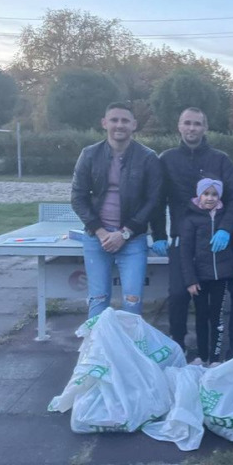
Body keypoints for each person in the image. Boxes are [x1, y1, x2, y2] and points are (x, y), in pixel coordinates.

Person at [151, 108, 233, 356]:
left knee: (222, 298)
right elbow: (157, 200)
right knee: (179, 295)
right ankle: (178, 346)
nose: (192, 128)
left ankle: (226, 348)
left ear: (205, 128)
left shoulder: (220, 159)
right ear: (179, 126)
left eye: (197, 124)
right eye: (187, 123)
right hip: (183, 240)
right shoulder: (167, 159)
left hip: (216, 240)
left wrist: (225, 229)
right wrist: (160, 234)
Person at [70, 101, 161, 319]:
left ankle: (128, 350)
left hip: (132, 238)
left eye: (125, 120)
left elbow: (153, 201)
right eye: (114, 120)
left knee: (132, 301)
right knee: (98, 299)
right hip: (96, 238)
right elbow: (78, 197)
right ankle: (96, 350)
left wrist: (124, 233)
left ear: (134, 125)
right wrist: (101, 233)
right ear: (104, 123)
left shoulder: (148, 157)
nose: (119, 125)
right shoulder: (89, 154)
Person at [180, 178, 233, 365]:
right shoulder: (190, 219)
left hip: (221, 276)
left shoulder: (226, 218)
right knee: (201, 317)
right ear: (199, 195)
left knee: (217, 319)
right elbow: (185, 252)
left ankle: (215, 358)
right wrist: (190, 280)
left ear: (219, 196)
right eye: (206, 194)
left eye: (214, 194)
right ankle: (202, 356)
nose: (210, 198)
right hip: (200, 279)